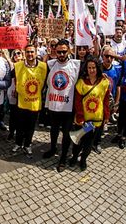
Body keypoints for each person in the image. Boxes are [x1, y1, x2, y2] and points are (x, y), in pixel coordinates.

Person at [43, 39, 80, 167]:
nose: (62, 54)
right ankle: (53, 148)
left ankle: (63, 157)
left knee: (66, 133)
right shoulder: (50, 64)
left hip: (68, 108)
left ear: (69, 50)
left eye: (64, 51)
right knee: (53, 130)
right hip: (54, 106)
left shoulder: (76, 65)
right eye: (59, 52)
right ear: (55, 51)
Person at [70, 57, 111, 172]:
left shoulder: (104, 82)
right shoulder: (81, 82)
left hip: (96, 119)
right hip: (82, 118)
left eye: (93, 67)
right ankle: (74, 157)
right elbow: (77, 101)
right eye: (89, 68)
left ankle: (83, 159)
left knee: (89, 143)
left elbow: (106, 100)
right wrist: (80, 116)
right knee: (78, 140)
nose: (91, 70)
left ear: (97, 68)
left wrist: (106, 115)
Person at [12, 44, 47, 156]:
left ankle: (27, 145)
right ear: (24, 54)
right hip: (22, 102)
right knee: (20, 125)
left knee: (31, 126)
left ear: (36, 53)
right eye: (28, 52)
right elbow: (9, 76)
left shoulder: (44, 66)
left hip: (35, 102)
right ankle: (18, 143)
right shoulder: (18, 66)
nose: (30, 54)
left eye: (32, 52)